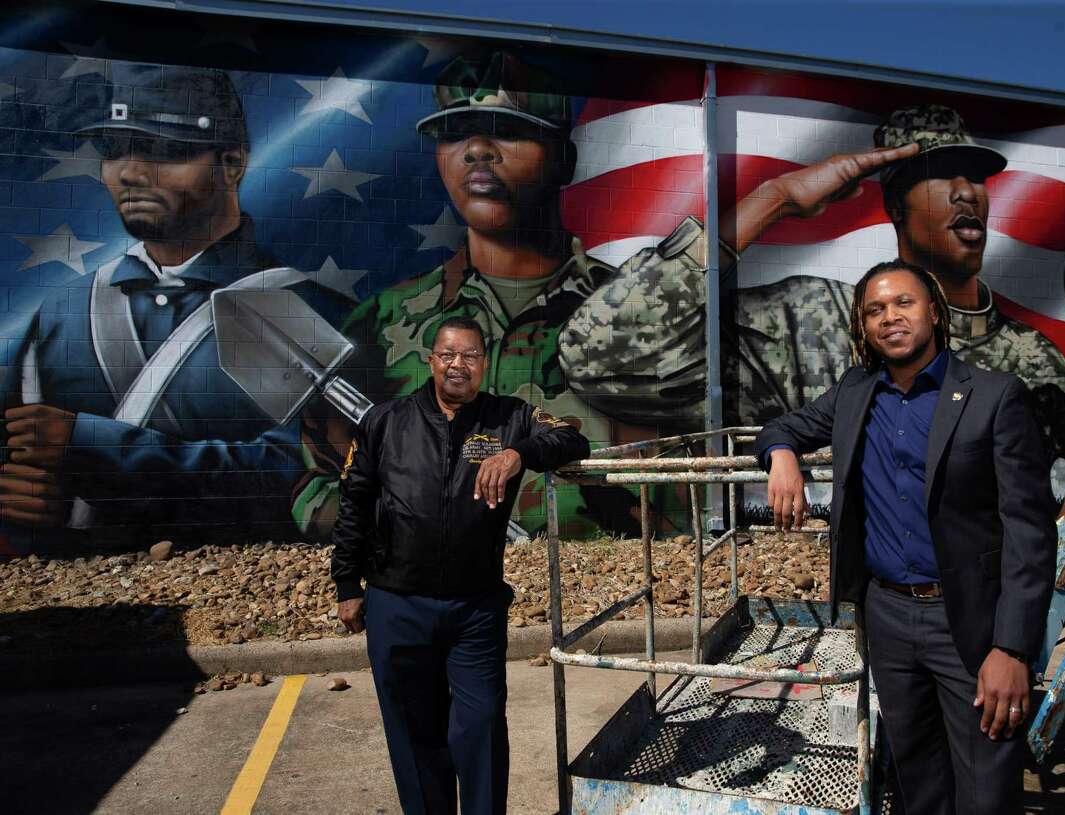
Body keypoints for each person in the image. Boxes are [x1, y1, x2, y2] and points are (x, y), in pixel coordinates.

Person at [560, 104, 1065, 464]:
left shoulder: (1032, 358)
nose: (965, 193)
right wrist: (774, 200)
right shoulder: (809, 322)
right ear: (894, 205)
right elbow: (601, 356)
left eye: (974, 176)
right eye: (939, 176)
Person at [293, 51, 648, 540]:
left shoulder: (640, 313)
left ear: (563, 160)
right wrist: (410, 519)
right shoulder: (378, 324)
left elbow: (689, 480)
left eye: (507, 128)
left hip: (597, 595)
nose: (478, 149)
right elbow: (320, 485)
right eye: (456, 133)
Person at [0, 65, 353, 546]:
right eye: (113, 151)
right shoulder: (63, 310)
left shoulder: (292, 307)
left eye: (165, 150)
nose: (130, 172)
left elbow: (307, 473)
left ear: (232, 164)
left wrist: (91, 453)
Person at [754, 260, 1057, 815]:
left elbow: (1030, 532)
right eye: (875, 310)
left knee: (986, 791)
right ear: (864, 326)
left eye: (904, 304)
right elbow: (784, 427)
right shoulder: (855, 391)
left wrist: (1012, 648)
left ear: (935, 314)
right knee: (918, 783)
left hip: (968, 621)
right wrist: (781, 457)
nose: (889, 318)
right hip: (887, 616)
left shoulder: (995, 396)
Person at [331, 316, 589, 815]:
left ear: (483, 364)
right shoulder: (386, 421)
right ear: (431, 360)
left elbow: (573, 441)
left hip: (474, 609)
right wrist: (347, 582)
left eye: (470, 356)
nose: (458, 365)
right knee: (413, 734)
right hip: (396, 603)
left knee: (482, 727)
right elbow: (354, 504)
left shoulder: (510, 417)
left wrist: (519, 453)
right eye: (448, 354)